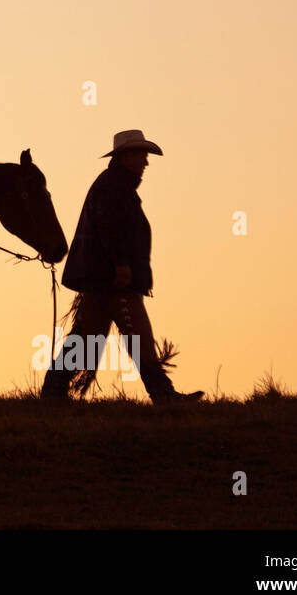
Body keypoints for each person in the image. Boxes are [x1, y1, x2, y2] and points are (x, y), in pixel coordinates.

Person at [41, 130, 203, 404]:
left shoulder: (114, 185)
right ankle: (163, 395)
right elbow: (110, 230)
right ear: (127, 156)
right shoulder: (114, 187)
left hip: (103, 281)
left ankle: (53, 391)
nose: (146, 162)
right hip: (112, 281)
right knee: (132, 337)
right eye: (141, 155)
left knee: (87, 338)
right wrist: (122, 266)